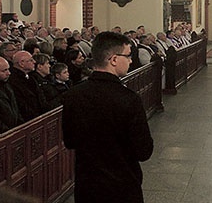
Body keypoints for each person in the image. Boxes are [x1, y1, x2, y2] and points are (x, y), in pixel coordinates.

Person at [62, 32, 153, 203]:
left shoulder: (73, 95)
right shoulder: (128, 98)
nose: (131, 60)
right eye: (128, 55)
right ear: (113, 59)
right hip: (122, 186)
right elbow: (144, 151)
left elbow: (70, 141)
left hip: (87, 185)